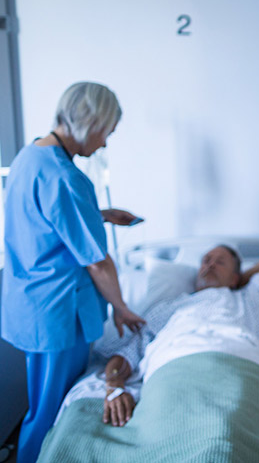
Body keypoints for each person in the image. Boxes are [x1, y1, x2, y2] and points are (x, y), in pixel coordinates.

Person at [1, 82, 146, 463]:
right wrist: (122, 307)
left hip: (29, 302)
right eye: (107, 132)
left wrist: (99, 216)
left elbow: (43, 217)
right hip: (56, 311)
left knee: (41, 404)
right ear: (91, 122)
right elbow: (98, 262)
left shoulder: (31, 155)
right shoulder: (66, 178)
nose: (104, 145)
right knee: (50, 414)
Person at [97, 245, 259, 428]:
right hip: (174, 365)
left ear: (235, 279)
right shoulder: (168, 308)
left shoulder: (247, 301)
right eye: (206, 261)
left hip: (236, 364)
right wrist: (114, 386)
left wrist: (237, 282)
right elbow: (129, 353)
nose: (210, 265)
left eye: (220, 262)